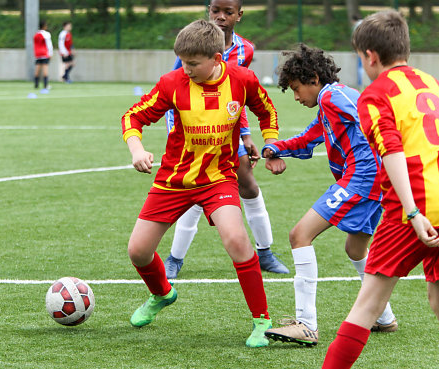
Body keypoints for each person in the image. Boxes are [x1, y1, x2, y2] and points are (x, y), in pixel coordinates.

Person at [121, 19, 281, 348]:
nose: (186, 69)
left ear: (217, 59)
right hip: (174, 179)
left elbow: (266, 110)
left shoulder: (242, 80)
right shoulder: (171, 83)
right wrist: (137, 148)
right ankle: (162, 293)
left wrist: (271, 144)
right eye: (182, 61)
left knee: (237, 240)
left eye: (193, 63)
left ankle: (261, 321)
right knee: (138, 251)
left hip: (218, 178)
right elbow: (133, 116)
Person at [322, 10, 439, 368]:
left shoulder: (376, 93)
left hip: (419, 206)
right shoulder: (432, 82)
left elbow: (392, 152)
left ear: (370, 56)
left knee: (369, 302)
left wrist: (411, 212)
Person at [260, 43, 396, 347]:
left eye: (296, 89)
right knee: (355, 249)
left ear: (313, 78)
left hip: (363, 177)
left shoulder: (335, 96)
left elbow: (372, 116)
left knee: (299, 235)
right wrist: (276, 148)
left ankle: (306, 324)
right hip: (373, 180)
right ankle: (384, 317)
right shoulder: (328, 104)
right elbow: (309, 138)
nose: (296, 97)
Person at [163, 0, 289, 279]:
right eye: (215, 11)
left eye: (228, 12)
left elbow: (238, 96)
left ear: (239, 16)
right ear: (208, 12)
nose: (221, 17)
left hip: (228, 132)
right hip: (193, 133)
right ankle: (175, 258)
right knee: (196, 193)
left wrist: (245, 135)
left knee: (249, 186)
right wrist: (177, 135)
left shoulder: (245, 49)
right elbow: (175, 92)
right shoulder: (193, 48)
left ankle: (265, 253)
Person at [33, 20, 53, 93]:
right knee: (45, 70)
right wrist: (50, 53)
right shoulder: (46, 34)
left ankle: (36, 84)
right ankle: (45, 85)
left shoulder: (36, 34)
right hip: (44, 53)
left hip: (37, 54)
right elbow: (49, 45)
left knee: (37, 70)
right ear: (44, 26)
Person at [351, 15, 364, 88]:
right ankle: (372, 83)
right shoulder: (366, 24)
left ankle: (360, 84)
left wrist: (354, 50)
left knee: (360, 67)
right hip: (369, 49)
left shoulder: (356, 27)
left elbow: (355, 39)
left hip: (360, 49)